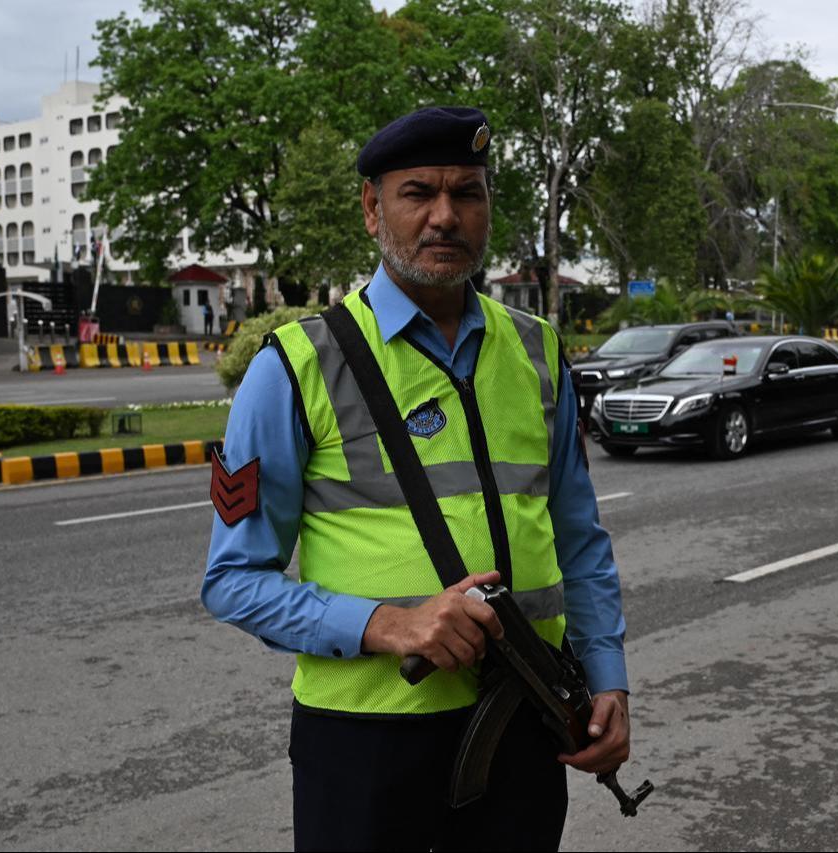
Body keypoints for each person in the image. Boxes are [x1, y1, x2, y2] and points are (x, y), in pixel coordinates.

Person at [202, 106, 630, 852]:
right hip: (366, 745)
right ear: (372, 208)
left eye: (467, 192)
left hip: (526, 724)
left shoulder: (536, 351)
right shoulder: (296, 365)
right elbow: (233, 578)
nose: (445, 215)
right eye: (417, 193)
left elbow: (579, 539)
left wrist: (608, 679)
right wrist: (392, 625)